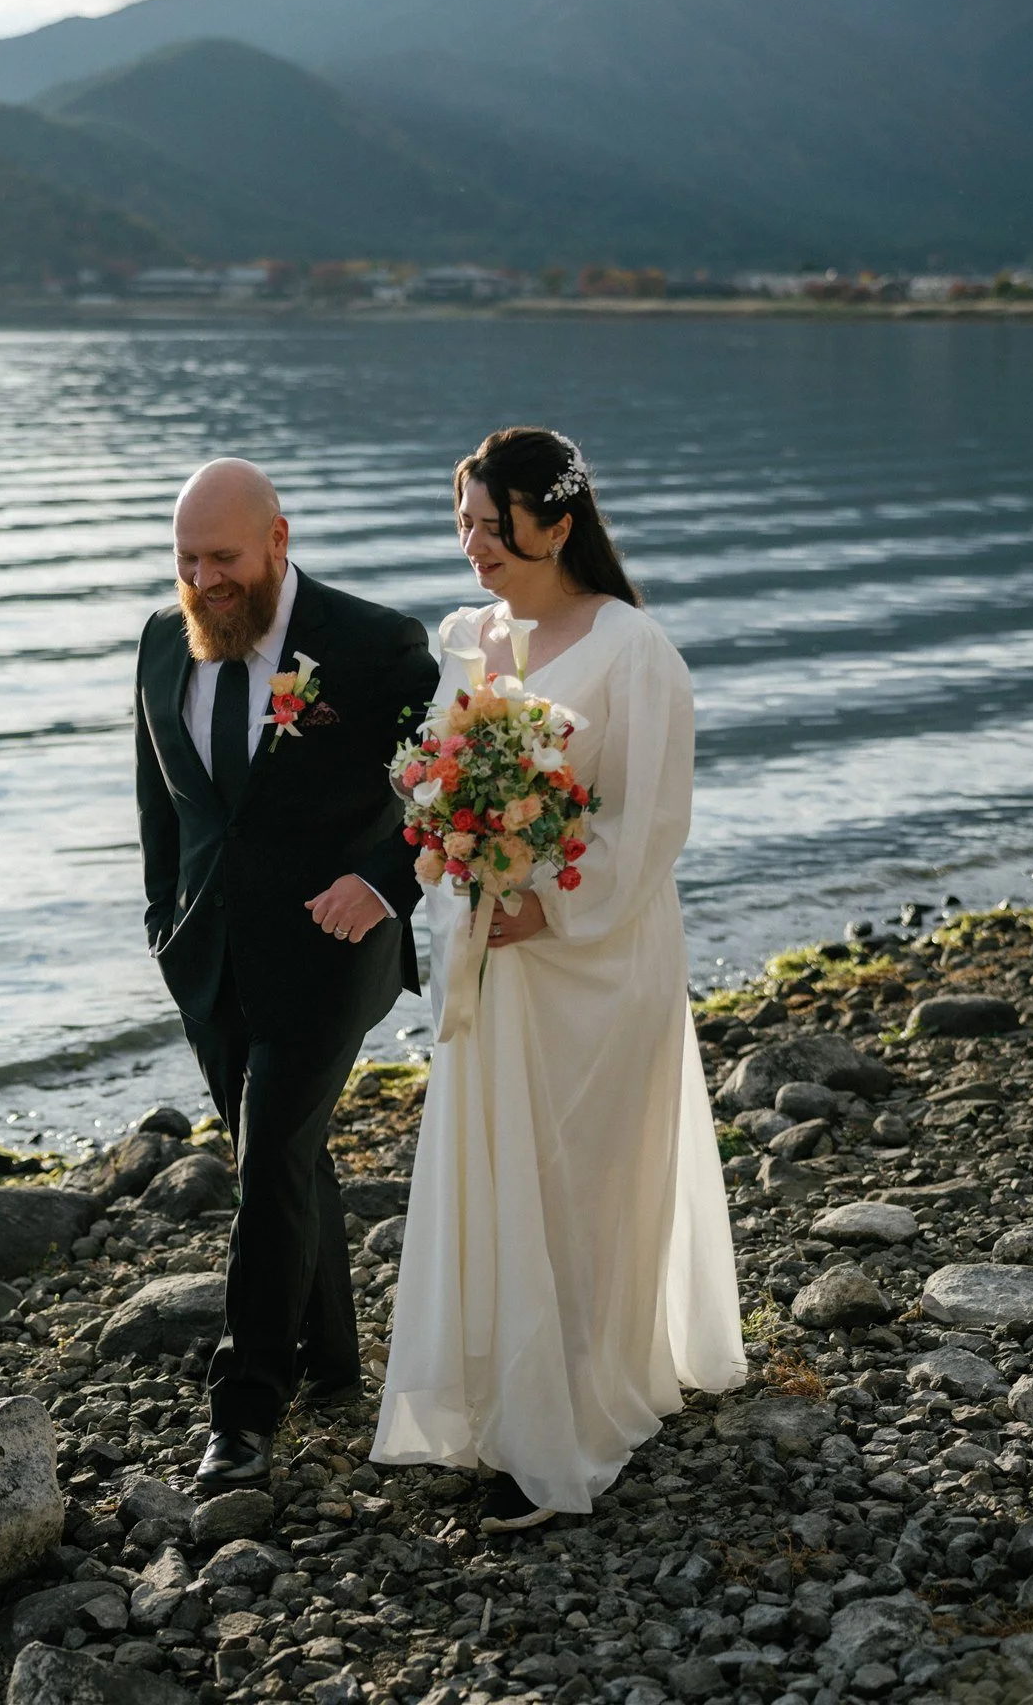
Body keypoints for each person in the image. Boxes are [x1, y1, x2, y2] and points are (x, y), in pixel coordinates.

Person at [371, 426, 745, 1532]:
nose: (473, 546)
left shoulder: (634, 650)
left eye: (492, 526)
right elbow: (436, 780)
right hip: (493, 950)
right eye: (465, 525)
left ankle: (573, 1414)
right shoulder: (469, 638)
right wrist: (451, 848)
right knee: (497, 1170)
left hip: (594, 953)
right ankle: (497, 1398)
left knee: (579, 1178)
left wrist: (552, 903)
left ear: (558, 522)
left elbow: (649, 824)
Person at [134, 458, 439, 1493]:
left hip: (330, 947)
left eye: (222, 556)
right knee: (291, 1158)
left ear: (277, 537)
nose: (204, 578)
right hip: (208, 954)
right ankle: (336, 1363)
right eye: (185, 559)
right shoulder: (158, 642)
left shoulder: (375, 644)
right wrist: (159, 918)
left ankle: (246, 1409)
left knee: (268, 1159)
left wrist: (382, 880)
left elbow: (445, 791)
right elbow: (164, 803)